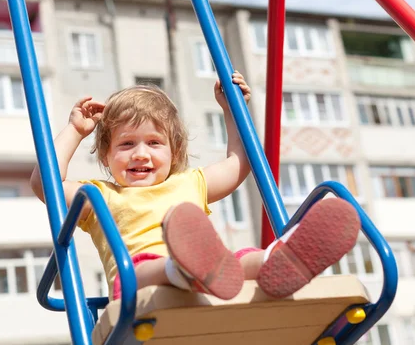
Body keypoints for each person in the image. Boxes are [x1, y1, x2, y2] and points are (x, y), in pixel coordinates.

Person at [30, 72, 360, 301]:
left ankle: (278, 260)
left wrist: (233, 111)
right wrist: (75, 130)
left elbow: (238, 164)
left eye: (154, 143)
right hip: (138, 289)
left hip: (210, 273)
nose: (140, 154)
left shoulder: (189, 183)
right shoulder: (99, 196)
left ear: (174, 152)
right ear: (106, 154)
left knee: (240, 259)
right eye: (126, 144)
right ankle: (184, 268)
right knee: (139, 272)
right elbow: (46, 184)